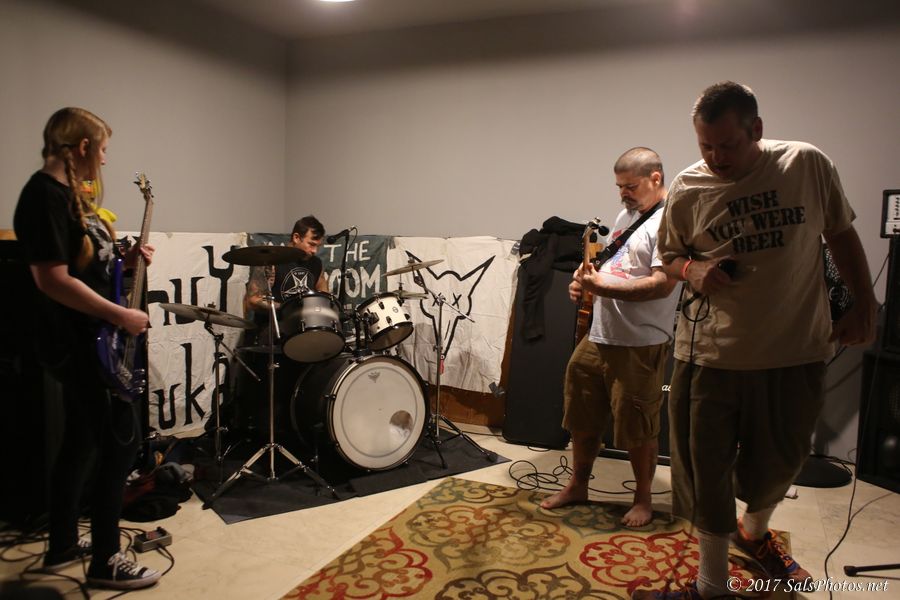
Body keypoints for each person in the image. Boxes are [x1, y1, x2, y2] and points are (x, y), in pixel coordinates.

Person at [634, 82, 877, 600]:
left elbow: (840, 233)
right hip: (710, 354)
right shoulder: (689, 186)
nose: (716, 157)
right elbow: (668, 259)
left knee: (781, 463)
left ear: (757, 130)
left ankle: (755, 531)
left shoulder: (805, 164)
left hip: (794, 350)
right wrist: (694, 270)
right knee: (705, 472)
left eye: (727, 145)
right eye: (706, 146)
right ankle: (710, 586)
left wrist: (864, 304)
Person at [13, 107, 161, 590]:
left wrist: (125, 259)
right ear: (82, 148)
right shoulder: (43, 196)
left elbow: (85, 265)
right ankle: (106, 560)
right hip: (79, 343)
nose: (104, 158)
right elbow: (52, 279)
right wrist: (120, 315)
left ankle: (61, 544)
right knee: (120, 445)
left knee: (80, 442)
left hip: (92, 340)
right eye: (102, 149)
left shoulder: (71, 198)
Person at [540, 147, 679, 527]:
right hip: (600, 334)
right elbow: (614, 266)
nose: (623, 194)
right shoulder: (627, 215)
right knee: (582, 413)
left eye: (630, 186)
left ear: (655, 178)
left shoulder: (671, 222)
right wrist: (584, 282)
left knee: (638, 426)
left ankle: (643, 499)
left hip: (639, 342)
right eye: (619, 187)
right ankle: (578, 485)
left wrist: (601, 286)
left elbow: (662, 285)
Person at [244, 215, 329, 334]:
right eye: (311, 244)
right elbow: (252, 301)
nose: (315, 251)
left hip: (303, 330)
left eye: (318, 246)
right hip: (274, 331)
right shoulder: (272, 261)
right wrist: (288, 308)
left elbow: (324, 297)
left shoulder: (316, 263)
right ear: (296, 238)